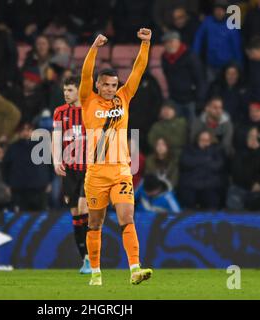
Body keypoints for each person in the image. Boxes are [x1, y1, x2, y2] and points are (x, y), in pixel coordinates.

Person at [79, 29, 153, 286]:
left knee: (126, 218)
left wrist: (145, 44)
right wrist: (94, 48)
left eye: (114, 85)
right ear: (98, 86)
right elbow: (86, 73)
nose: (111, 89)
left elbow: (139, 70)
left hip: (121, 170)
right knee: (95, 224)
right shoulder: (88, 100)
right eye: (106, 85)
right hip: (97, 173)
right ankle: (96, 273)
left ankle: (135, 268)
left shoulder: (124, 97)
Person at [52, 76, 91, 274]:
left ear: (79, 90)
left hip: (88, 169)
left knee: (84, 208)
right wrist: (56, 160)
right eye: (64, 90)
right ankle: (85, 258)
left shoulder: (90, 110)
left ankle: (92, 257)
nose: (66, 94)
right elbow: (56, 137)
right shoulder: (60, 112)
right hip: (69, 171)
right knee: (75, 214)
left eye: (70, 90)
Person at [2, 123, 52, 212]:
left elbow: (51, 165)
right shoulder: (13, 147)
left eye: (28, 130)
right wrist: (7, 184)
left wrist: (49, 181)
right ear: (19, 133)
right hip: (20, 190)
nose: (26, 132)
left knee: (41, 218)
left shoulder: (43, 146)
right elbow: (5, 167)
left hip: (39, 188)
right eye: (23, 130)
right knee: (21, 220)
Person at [161, 31, 206, 123]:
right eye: (166, 43)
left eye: (171, 41)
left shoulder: (190, 56)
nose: (169, 45)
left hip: (191, 100)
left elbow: (200, 79)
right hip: (175, 99)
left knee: (192, 127)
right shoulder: (164, 58)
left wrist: (199, 100)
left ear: (178, 42)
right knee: (177, 127)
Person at [192, 0, 243, 82]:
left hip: (226, 66)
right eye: (217, 10)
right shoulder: (208, 21)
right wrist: (195, 56)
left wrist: (239, 65)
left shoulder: (232, 25)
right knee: (210, 87)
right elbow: (198, 38)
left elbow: (236, 47)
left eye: (222, 10)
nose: (219, 12)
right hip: (210, 64)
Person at [178, 130, 226, 210]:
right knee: (187, 200)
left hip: (209, 184)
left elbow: (218, 166)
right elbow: (186, 162)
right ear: (197, 139)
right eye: (202, 140)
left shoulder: (217, 149)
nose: (204, 142)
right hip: (191, 184)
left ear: (211, 140)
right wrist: (206, 159)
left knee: (212, 201)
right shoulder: (189, 148)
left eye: (206, 140)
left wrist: (197, 161)